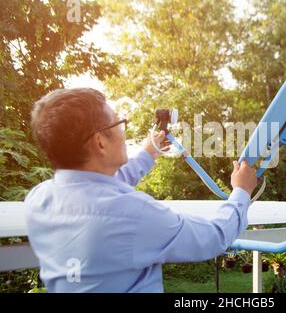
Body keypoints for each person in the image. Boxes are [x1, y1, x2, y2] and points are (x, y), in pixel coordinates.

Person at [24, 88, 257, 293]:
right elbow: (212, 238)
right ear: (100, 142)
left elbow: (101, 188)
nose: (123, 132)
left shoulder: (38, 200)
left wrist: (150, 152)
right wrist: (241, 192)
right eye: (118, 123)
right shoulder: (131, 214)